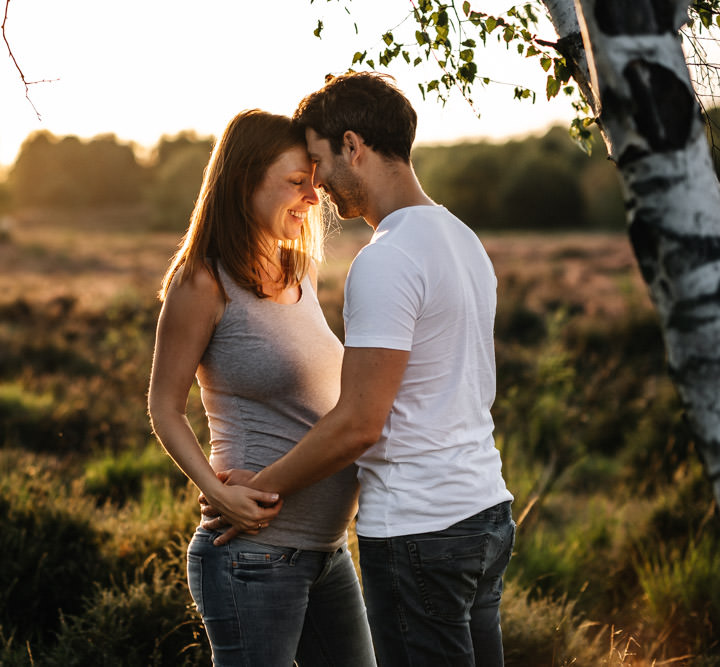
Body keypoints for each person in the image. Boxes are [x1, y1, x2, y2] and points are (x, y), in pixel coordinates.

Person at [209, 73, 516, 666]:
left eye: (320, 162)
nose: (318, 187)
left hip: (419, 529)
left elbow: (358, 423)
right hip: (484, 514)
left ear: (354, 146)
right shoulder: (463, 239)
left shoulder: (387, 259)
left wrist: (260, 485)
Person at [147, 108, 376, 667]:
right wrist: (217, 490)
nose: (311, 198)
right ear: (246, 178)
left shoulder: (300, 270)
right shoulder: (202, 281)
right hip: (253, 556)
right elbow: (164, 406)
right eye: (297, 183)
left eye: (314, 183)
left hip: (327, 552)